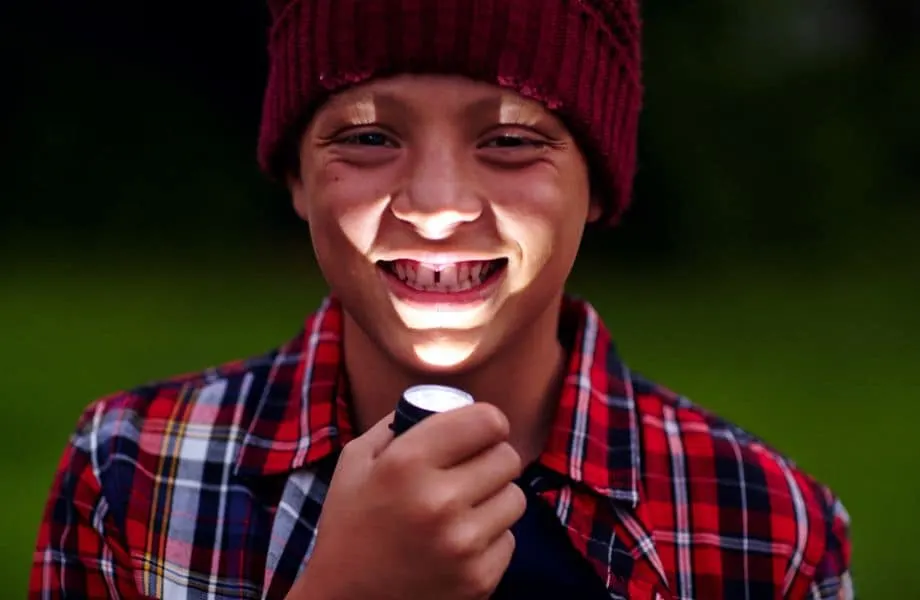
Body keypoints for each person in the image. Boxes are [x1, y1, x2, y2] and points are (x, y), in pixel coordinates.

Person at [30, 0, 853, 598]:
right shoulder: (133, 474)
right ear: (294, 175)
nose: (435, 204)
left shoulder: (766, 527)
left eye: (509, 141)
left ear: (598, 184)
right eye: (368, 137)